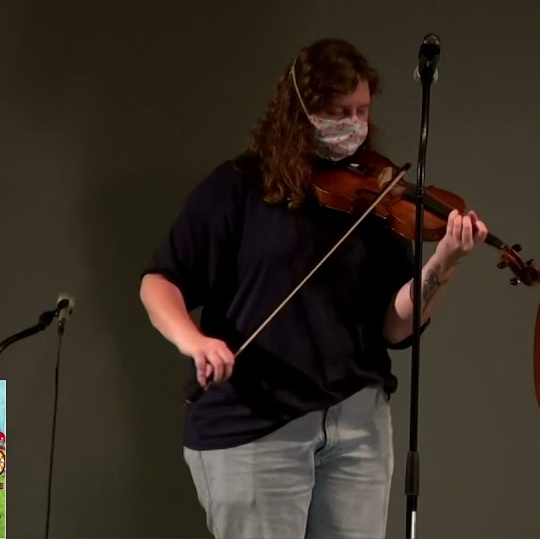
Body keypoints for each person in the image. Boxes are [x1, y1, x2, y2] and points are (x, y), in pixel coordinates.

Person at [138, 37, 488, 539]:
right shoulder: (240, 186)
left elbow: (394, 328)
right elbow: (159, 282)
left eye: (362, 111)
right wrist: (194, 341)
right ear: (300, 111)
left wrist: (445, 261)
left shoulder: (376, 195)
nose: (353, 124)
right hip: (257, 424)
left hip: (357, 426)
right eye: (339, 112)